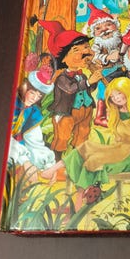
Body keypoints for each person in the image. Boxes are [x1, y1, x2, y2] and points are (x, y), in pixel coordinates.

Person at [42, 77, 130, 209]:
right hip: (119, 149)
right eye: (113, 96)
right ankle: (54, 169)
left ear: (128, 91)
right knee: (86, 147)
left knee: (94, 160)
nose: (117, 98)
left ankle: (77, 206)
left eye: (119, 93)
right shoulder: (117, 112)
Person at [38, 20, 102, 162]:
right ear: (64, 59)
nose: (85, 52)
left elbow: (89, 89)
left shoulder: (82, 75)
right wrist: (88, 82)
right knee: (62, 137)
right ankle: (56, 160)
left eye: (86, 47)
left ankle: (77, 160)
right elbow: (70, 89)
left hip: (85, 110)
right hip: (66, 113)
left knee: (82, 134)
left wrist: (94, 80)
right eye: (76, 50)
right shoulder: (62, 77)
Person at [8, 66, 55, 181]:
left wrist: (48, 166)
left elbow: (35, 142)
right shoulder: (11, 102)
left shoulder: (33, 112)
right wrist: (25, 160)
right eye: (32, 93)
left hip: (19, 149)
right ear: (25, 88)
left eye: (39, 96)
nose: (34, 98)